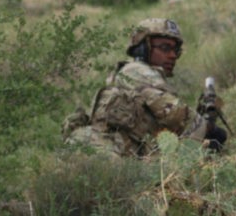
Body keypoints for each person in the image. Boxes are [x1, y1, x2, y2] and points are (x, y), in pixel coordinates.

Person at [63, 18, 227, 157]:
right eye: (165, 48)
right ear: (143, 48)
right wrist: (208, 126)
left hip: (102, 152)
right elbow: (175, 114)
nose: (172, 55)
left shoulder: (126, 74)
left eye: (175, 50)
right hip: (106, 154)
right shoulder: (137, 71)